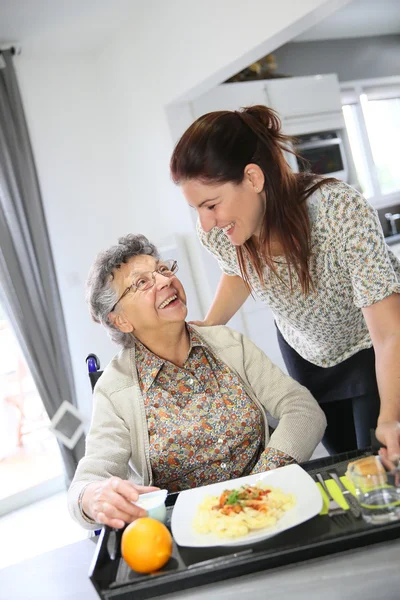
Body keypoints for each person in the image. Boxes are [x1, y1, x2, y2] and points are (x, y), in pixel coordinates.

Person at [170, 105, 400, 460]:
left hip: (371, 349)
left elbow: (389, 333)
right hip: (305, 354)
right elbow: (239, 270)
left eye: (211, 204)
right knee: (347, 464)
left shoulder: (338, 211)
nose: (206, 222)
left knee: (380, 459)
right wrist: (210, 327)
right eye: (196, 208)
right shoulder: (220, 233)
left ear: (252, 178)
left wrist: (391, 418)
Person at [68, 234, 326, 530]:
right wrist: (91, 497)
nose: (165, 281)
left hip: (270, 506)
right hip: (193, 530)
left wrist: (257, 486)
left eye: (163, 270)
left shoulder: (228, 344)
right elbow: (87, 482)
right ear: (121, 320)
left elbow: (303, 409)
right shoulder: (115, 390)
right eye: (142, 283)